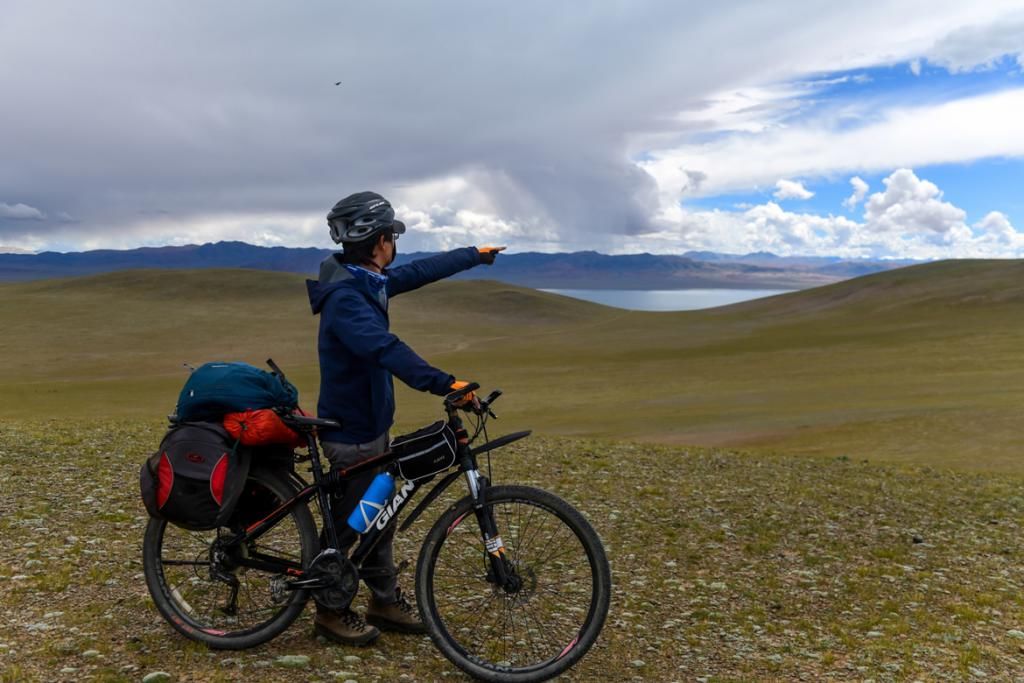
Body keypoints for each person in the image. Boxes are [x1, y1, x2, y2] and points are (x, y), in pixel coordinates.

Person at [305, 191, 504, 646]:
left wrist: (473, 255)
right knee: (356, 522)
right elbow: (384, 348)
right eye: (391, 235)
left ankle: (382, 599)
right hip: (351, 431)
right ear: (378, 242)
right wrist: (445, 383)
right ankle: (329, 610)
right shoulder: (346, 299)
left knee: (380, 516)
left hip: (370, 425)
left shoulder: (364, 279)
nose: (395, 243)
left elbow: (417, 273)